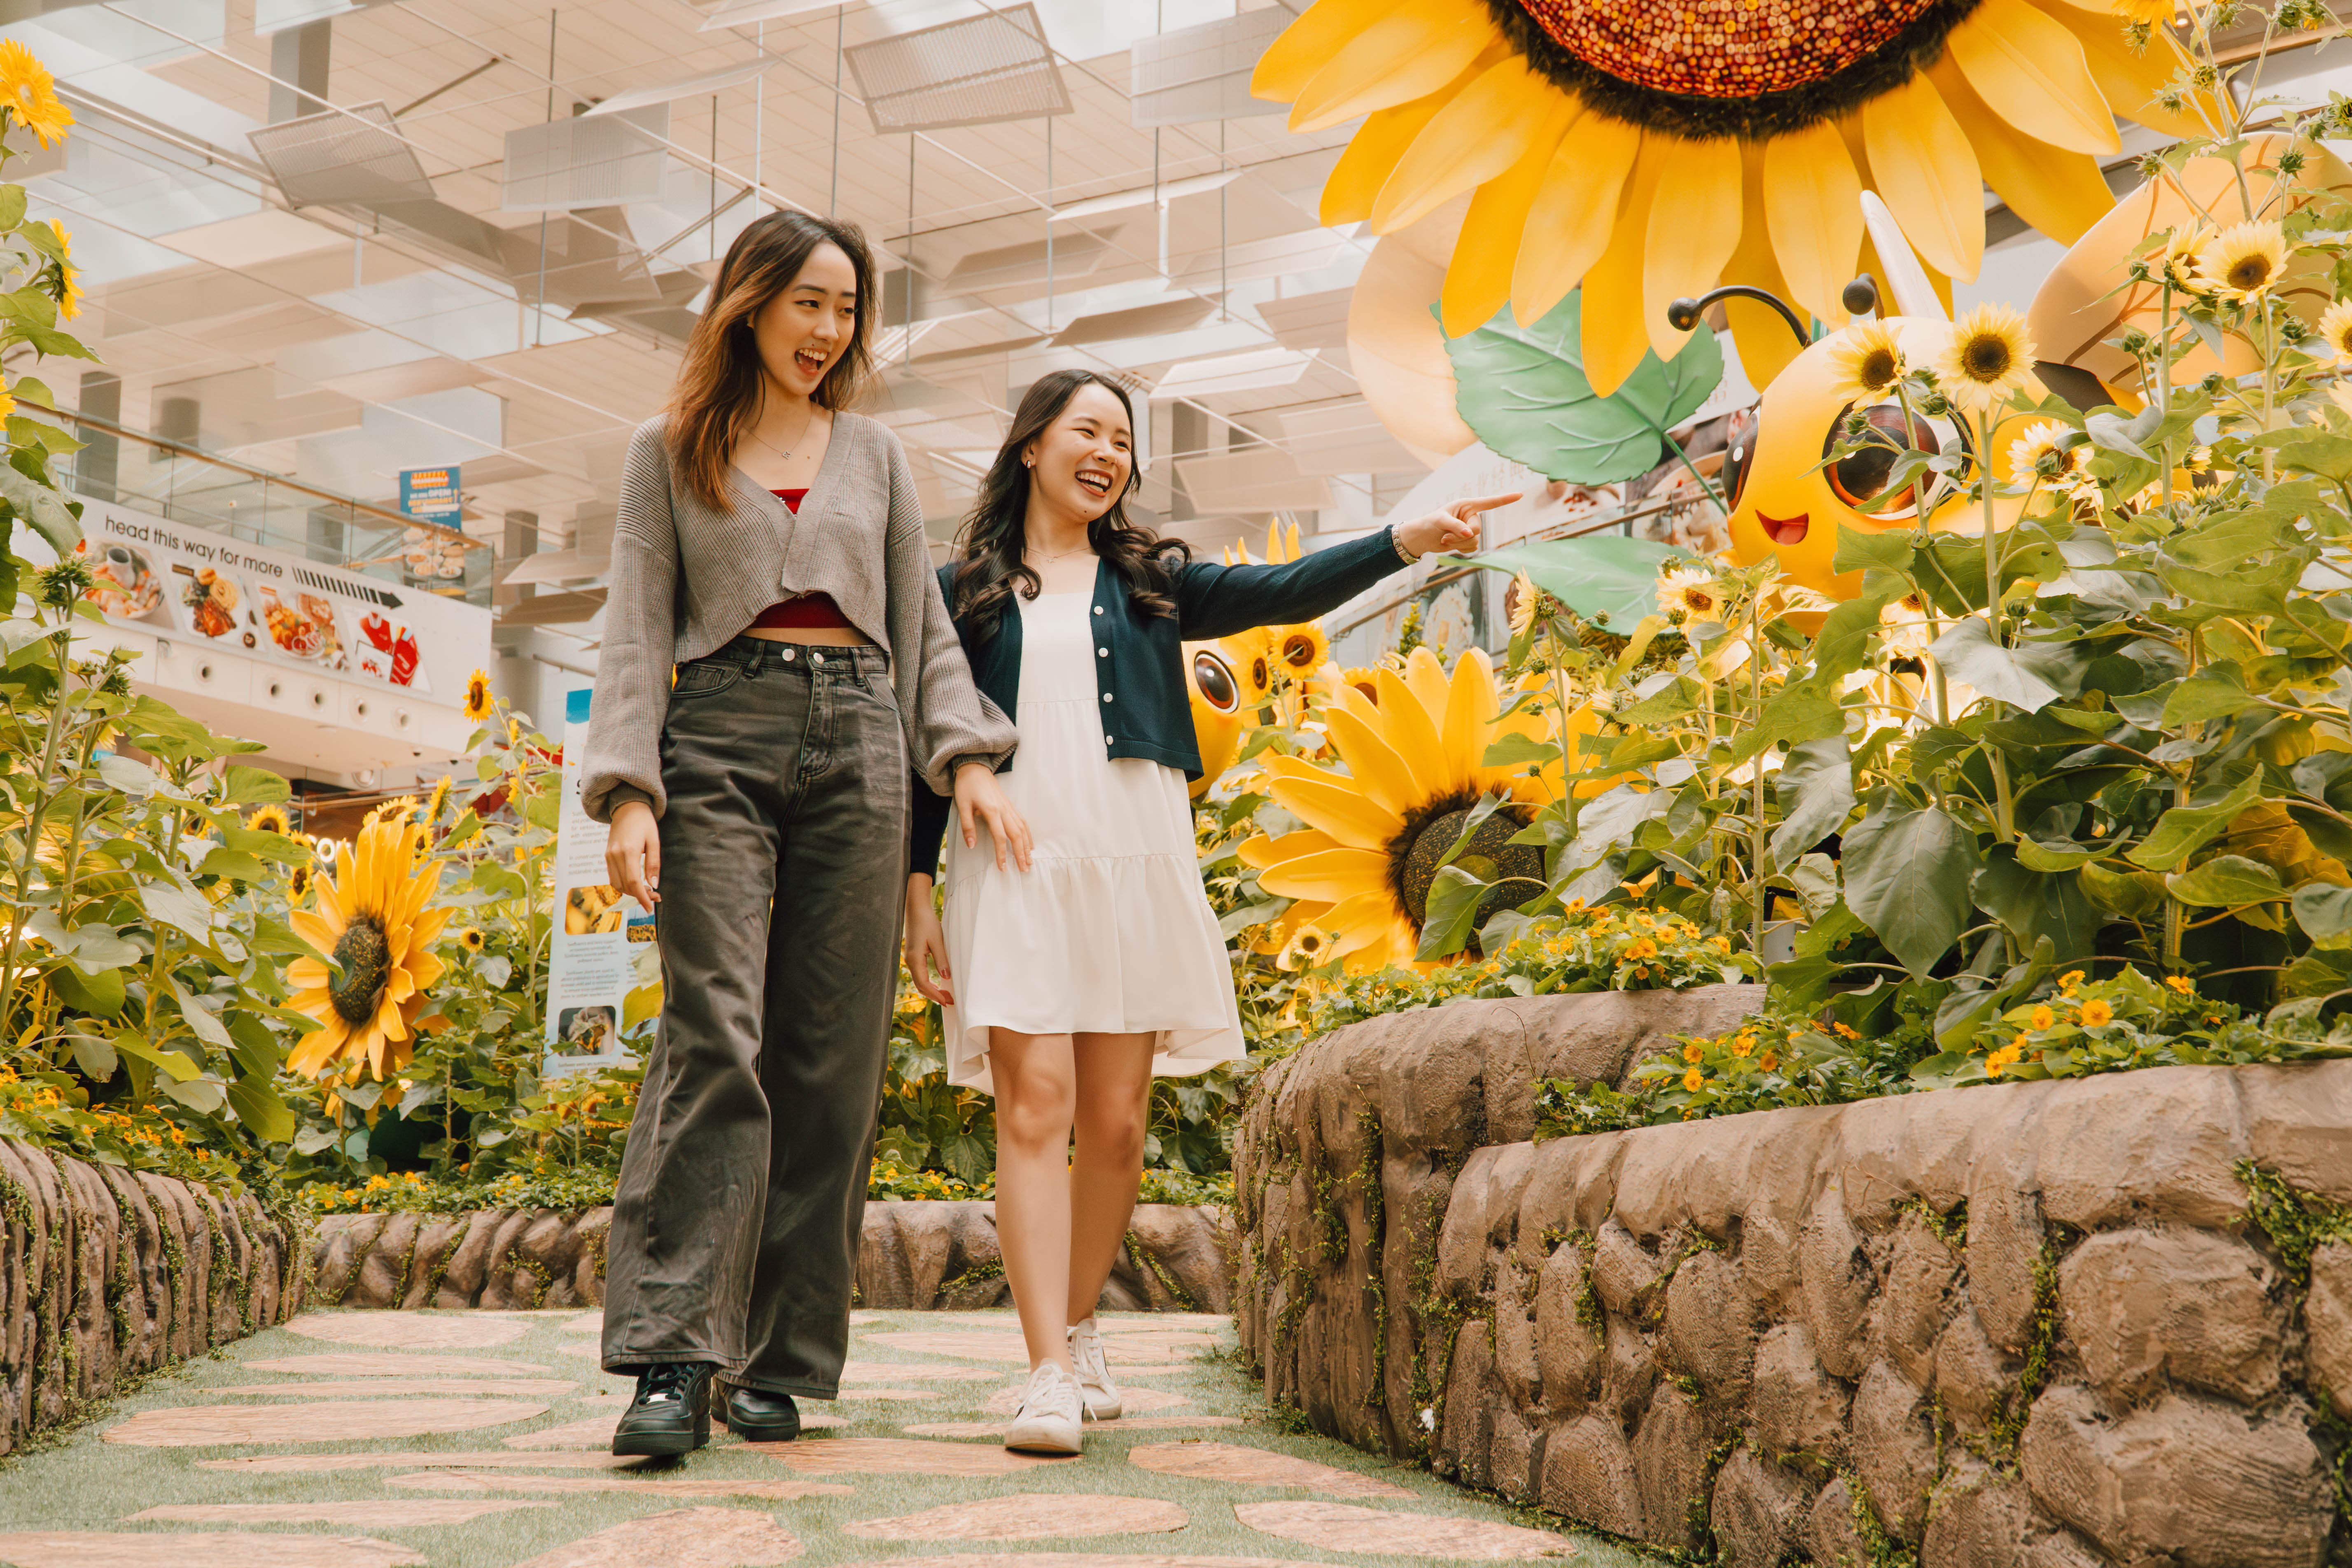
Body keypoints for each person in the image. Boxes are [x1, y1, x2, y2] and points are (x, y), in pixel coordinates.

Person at [903, 368, 1512, 1454]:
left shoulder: (1156, 583)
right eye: (1087, 430)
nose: (1109, 454)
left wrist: (1404, 539)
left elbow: (1287, 587)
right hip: (1015, 860)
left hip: (1134, 853)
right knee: (1033, 1112)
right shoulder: (962, 591)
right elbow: (924, 743)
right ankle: (1045, 1371)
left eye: (1124, 441)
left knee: (1120, 1124)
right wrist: (916, 887)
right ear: (1032, 445)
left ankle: (1082, 1322)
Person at [583, 210, 1029, 1458]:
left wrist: (971, 758)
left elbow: (922, 633)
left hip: (862, 749)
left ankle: (779, 1361)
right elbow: (633, 629)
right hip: (715, 737)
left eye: (847, 311)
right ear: (750, 303)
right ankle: (674, 1358)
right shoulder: (664, 450)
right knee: (712, 1033)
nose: (830, 333)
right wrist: (628, 789)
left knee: (830, 1060)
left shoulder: (875, 453)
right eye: (809, 305)